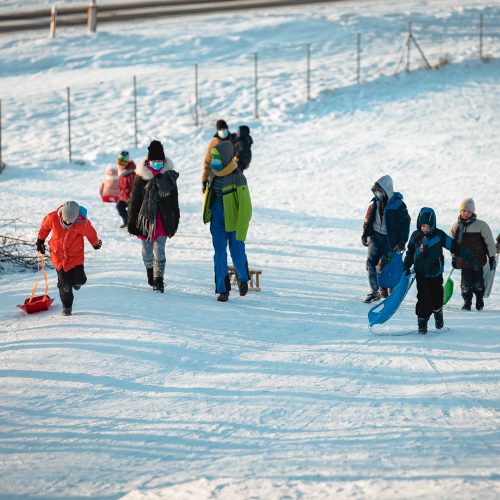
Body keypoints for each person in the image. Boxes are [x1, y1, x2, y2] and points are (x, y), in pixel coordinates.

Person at [404, 207, 477, 334]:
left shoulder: (439, 235)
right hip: (421, 274)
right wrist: (406, 265)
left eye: (428, 226)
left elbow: (454, 246)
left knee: (437, 299)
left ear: (433, 225)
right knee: (424, 299)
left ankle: (438, 312)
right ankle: (422, 323)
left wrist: (470, 258)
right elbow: (410, 252)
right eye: (423, 226)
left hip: (436, 274)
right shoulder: (415, 236)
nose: (425, 228)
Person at [127, 140, 180, 293]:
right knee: (146, 251)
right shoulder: (141, 176)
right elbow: (134, 199)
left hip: (163, 220)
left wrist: (175, 219)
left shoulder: (169, 178)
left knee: (160, 250)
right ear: (149, 161)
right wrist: (131, 220)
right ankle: (150, 271)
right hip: (145, 221)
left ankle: (159, 280)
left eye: (160, 161)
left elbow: (174, 200)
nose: (157, 163)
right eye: (154, 161)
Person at [202, 140, 252, 302]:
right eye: (212, 158)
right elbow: (209, 195)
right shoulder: (213, 174)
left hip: (234, 219)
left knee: (237, 251)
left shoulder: (238, 177)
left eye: (216, 158)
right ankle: (223, 289)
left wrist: (242, 227)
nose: (213, 161)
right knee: (219, 254)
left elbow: (246, 206)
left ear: (225, 158)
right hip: (217, 219)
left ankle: (243, 278)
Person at [36, 201, 102, 316]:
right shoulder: (53, 217)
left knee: (79, 281)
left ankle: (75, 282)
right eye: (66, 219)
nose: (67, 222)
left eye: (71, 221)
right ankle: (67, 307)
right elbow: (44, 228)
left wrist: (96, 244)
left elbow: (91, 234)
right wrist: (40, 241)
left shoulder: (82, 223)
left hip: (75, 257)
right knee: (65, 287)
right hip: (58, 257)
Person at [361, 175, 410, 303]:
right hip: (376, 238)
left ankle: (393, 294)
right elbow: (369, 220)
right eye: (375, 192)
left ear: (386, 190)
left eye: (379, 191)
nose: (377, 194)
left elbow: (405, 225)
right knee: (371, 262)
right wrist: (365, 234)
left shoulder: (399, 205)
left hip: (390, 241)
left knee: (390, 266)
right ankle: (374, 291)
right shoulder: (374, 203)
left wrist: (402, 242)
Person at [450, 198, 496, 311]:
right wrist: (454, 258)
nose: (465, 213)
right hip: (463, 260)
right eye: (463, 211)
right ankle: (467, 302)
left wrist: (491, 257)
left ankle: (479, 298)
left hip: (478, 260)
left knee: (478, 282)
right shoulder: (456, 226)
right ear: (460, 211)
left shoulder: (481, 225)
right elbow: (452, 244)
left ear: (473, 212)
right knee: (465, 283)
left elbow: (489, 241)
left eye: (468, 211)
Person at [201, 119, 237, 193]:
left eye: (224, 129)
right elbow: (207, 161)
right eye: (220, 129)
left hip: (231, 177)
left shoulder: (233, 140)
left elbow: (239, 155)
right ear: (217, 130)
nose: (223, 131)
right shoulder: (214, 142)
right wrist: (204, 180)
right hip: (216, 177)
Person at [116, 151, 136, 228]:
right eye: (119, 164)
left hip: (131, 198)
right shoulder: (122, 173)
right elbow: (122, 187)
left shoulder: (131, 174)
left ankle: (133, 223)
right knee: (119, 207)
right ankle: (126, 221)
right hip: (124, 197)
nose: (120, 166)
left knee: (132, 211)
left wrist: (131, 198)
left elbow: (134, 188)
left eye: (122, 164)